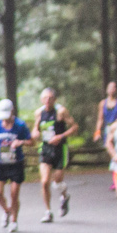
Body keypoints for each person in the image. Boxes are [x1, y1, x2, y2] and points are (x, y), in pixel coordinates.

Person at [0, 98, 34, 233]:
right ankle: (7, 211)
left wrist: (21, 142)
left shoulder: (20, 125)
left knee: (14, 194)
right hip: (0, 163)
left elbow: (31, 141)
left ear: (12, 112)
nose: (5, 119)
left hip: (16, 163)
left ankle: (14, 221)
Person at [34, 86, 75, 222]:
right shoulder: (39, 113)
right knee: (45, 181)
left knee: (57, 180)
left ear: (55, 99)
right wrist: (35, 133)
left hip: (59, 149)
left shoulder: (61, 111)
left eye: (50, 98)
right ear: (41, 99)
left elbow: (75, 127)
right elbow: (36, 129)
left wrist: (60, 136)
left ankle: (64, 196)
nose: (47, 101)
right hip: (45, 148)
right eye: (45, 98)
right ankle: (48, 211)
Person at [94, 80, 117, 144]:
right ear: (107, 90)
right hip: (108, 130)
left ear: (116, 89)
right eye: (110, 87)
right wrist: (97, 132)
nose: (111, 90)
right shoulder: (102, 103)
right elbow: (100, 119)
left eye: (113, 87)